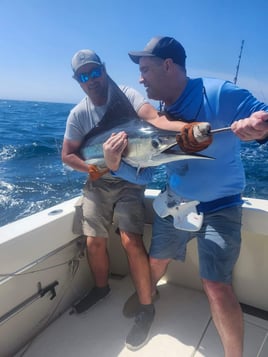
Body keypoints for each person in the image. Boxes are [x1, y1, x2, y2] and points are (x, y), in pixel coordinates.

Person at [102, 36, 268, 357]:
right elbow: (147, 173)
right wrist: (114, 165)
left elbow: (263, 118)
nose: (140, 78)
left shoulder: (219, 93)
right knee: (154, 263)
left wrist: (259, 127)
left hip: (222, 207)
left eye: (146, 69)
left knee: (217, 288)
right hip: (175, 204)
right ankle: (147, 305)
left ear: (168, 65)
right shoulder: (161, 114)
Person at [61, 48, 211, 350]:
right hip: (99, 179)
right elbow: (67, 156)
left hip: (130, 182)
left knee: (131, 240)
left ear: (104, 69)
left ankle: (146, 307)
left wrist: (187, 130)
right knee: (94, 241)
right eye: (83, 76)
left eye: (95, 71)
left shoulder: (129, 95)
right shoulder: (79, 114)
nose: (91, 79)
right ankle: (101, 289)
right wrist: (94, 166)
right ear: (78, 81)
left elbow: (155, 119)